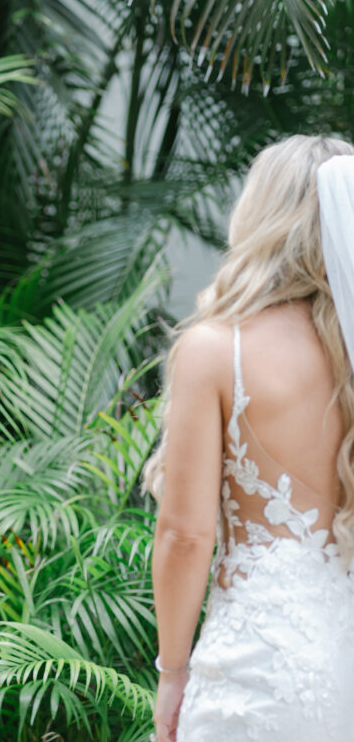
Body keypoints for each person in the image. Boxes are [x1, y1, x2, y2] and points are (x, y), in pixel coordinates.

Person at [148, 134, 354, 741]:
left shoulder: (216, 350)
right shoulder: (350, 355)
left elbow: (185, 535)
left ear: (262, 217)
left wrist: (173, 673)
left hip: (256, 671)